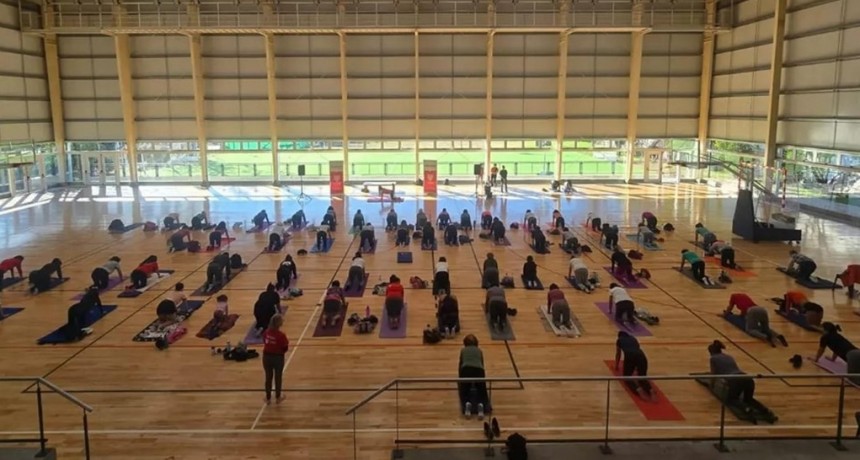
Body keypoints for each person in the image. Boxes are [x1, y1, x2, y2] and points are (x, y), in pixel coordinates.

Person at [708, 340, 756, 405]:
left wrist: (711, 386)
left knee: (731, 400)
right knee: (748, 400)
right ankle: (765, 411)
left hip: (735, 380)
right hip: (746, 377)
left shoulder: (713, 358)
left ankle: (746, 409)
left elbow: (713, 375)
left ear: (711, 352)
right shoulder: (729, 356)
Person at [615, 331, 654, 400]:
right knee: (642, 376)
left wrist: (616, 365)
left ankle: (638, 389)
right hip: (641, 355)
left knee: (627, 377)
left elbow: (618, 354)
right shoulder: (633, 338)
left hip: (630, 356)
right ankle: (650, 390)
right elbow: (636, 348)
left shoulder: (619, 340)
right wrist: (636, 367)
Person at [459, 334, 488, 418]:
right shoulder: (479, 350)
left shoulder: (463, 350)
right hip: (478, 370)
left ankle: (467, 405)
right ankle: (481, 406)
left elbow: (461, 363)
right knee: (481, 389)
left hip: (466, 369)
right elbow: (482, 363)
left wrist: (461, 377)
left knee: (465, 389)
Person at [262, 314, 289, 404]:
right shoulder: (281, 335)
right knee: (278, 377)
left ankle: (268, 397)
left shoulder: (266, 332)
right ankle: (278, 397)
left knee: (268, 377)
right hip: (277, 357)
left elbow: (264, 341)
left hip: (266, 357)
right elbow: (285, 347)